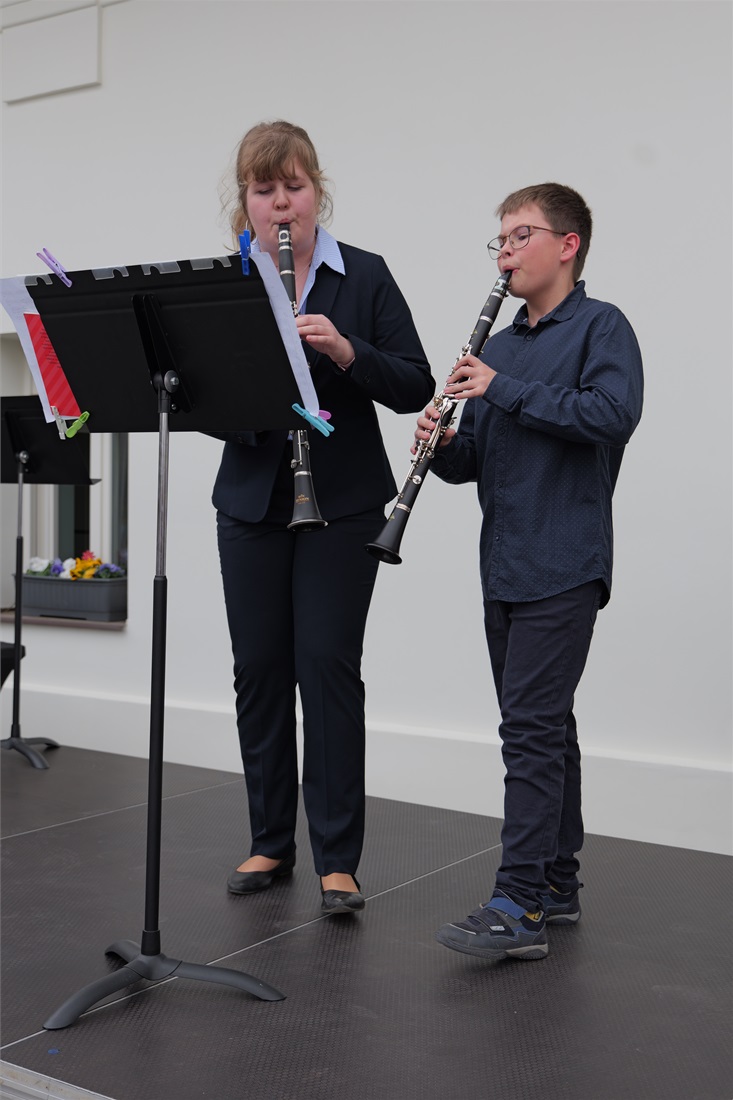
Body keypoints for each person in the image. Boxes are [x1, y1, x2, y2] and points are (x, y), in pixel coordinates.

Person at [414, 183, 643, 959]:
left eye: (520, 235)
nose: (505, 252)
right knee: (546, 728)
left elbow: (610, 416)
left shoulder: (600, 326)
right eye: (500, 240)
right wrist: (444, 446)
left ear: (567, 244)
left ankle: (516, 905)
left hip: (564, 558)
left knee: (529, 732)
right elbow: (481, 459)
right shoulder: (500, 348)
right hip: (503, 561)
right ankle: (556, 885)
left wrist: (500, 388)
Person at [214, 120, 433, 915]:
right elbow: (200, 393)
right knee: (258, 670)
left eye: (294, 186)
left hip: (340, 502)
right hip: (251, 500)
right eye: (263, 189)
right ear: (245, 201)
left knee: (328, 667)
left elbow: (414, 384)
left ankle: (337, 858)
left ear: (317, 192)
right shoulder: (228, 281)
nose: (281, 203)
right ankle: (270, 841)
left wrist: (345, 352)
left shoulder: (363, 275)